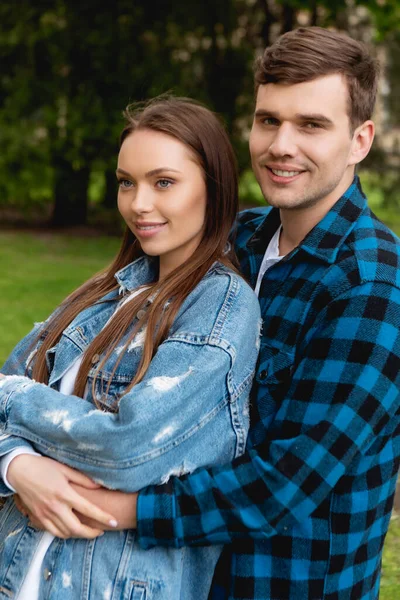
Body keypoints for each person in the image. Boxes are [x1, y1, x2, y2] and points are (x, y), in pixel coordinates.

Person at [44, 26, 399, 600]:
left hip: (289, 585)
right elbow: (94, 366)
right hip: (184, 579)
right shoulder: (239, 240)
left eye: (311, 125)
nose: (281, 144)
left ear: (360, 140)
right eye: (268, 120)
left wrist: (108, 507)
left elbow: (288, 483)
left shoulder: (373, 285)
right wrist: (22, 462)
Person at [0, 97, 261, 599]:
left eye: (163, 182)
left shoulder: (222, 306)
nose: (138, 204)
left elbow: (130, 449)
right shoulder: (104, 293)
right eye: (127, 182)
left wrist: (13, 400)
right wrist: (17, 466)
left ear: (214, 186)